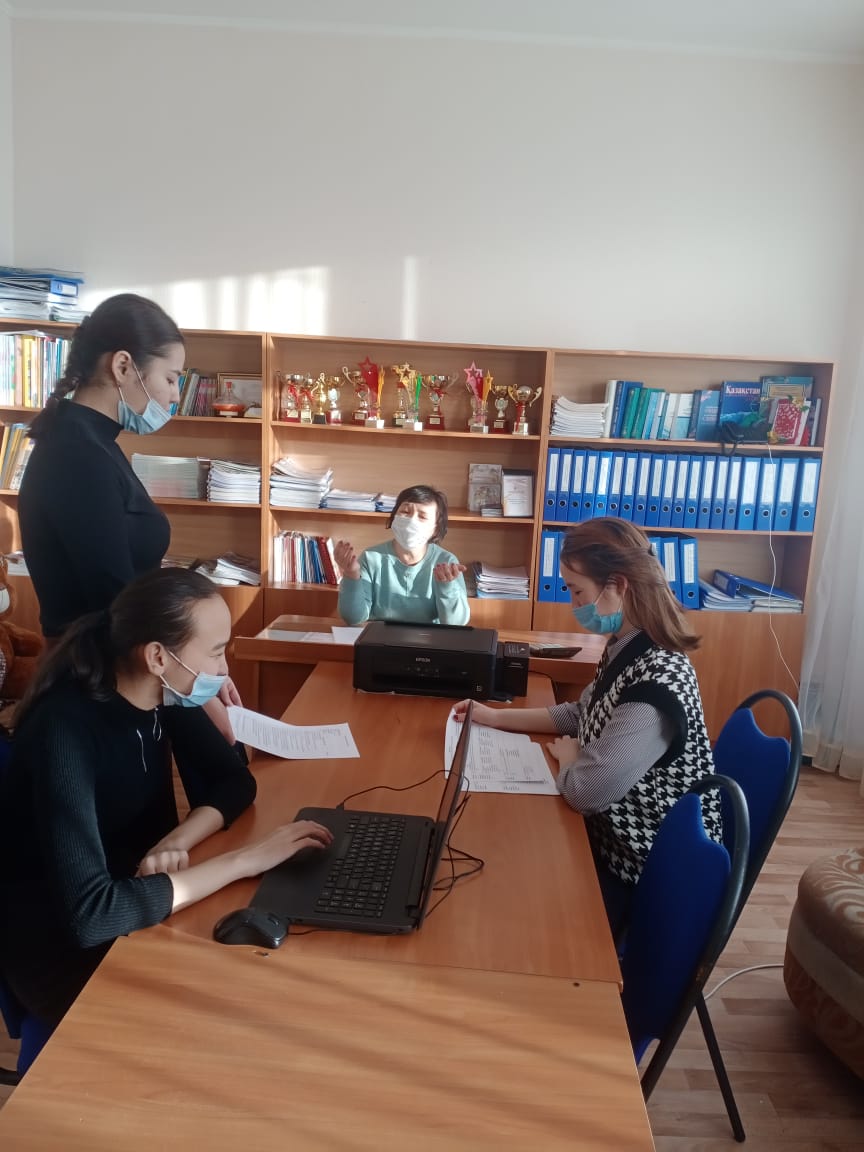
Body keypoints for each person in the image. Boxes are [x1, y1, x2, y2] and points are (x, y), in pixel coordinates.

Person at [0, 568, 332, 1027]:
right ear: (158, 655)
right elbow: (91, 915)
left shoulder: (162, 692)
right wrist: (245, 860)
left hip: (144, 898)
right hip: (66, 948)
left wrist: (178, 839)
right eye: (215, 652)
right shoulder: (65, 732)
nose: (224, 670)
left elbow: (234, 781)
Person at [453, 517, 720, 938]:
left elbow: (585, 792)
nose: (573, 603)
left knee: (510, 895)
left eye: (577, 591)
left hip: (641, 868)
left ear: (618, 585)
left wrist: (571, 758)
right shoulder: (627, 644)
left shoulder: (657, 682)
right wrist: (494, 717)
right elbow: (582, 714)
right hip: (608, 834)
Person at [19, 293, 185, 641]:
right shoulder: (77, 453)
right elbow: (114, 599)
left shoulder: (92, 442)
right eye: (170, 379)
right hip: (96, 663)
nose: (175, 396)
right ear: (122, 366)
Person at [335, 484, 470, 626]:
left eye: (422, 516)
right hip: (378, 636)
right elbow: (353, 618)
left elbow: (456, 624)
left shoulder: (446, 562)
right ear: (394, 517)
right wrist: (351, 575)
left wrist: (447, 587)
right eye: (405, 511)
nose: (412, 520)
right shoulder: (371, 558)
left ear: (435, 529)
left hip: (428, 638)